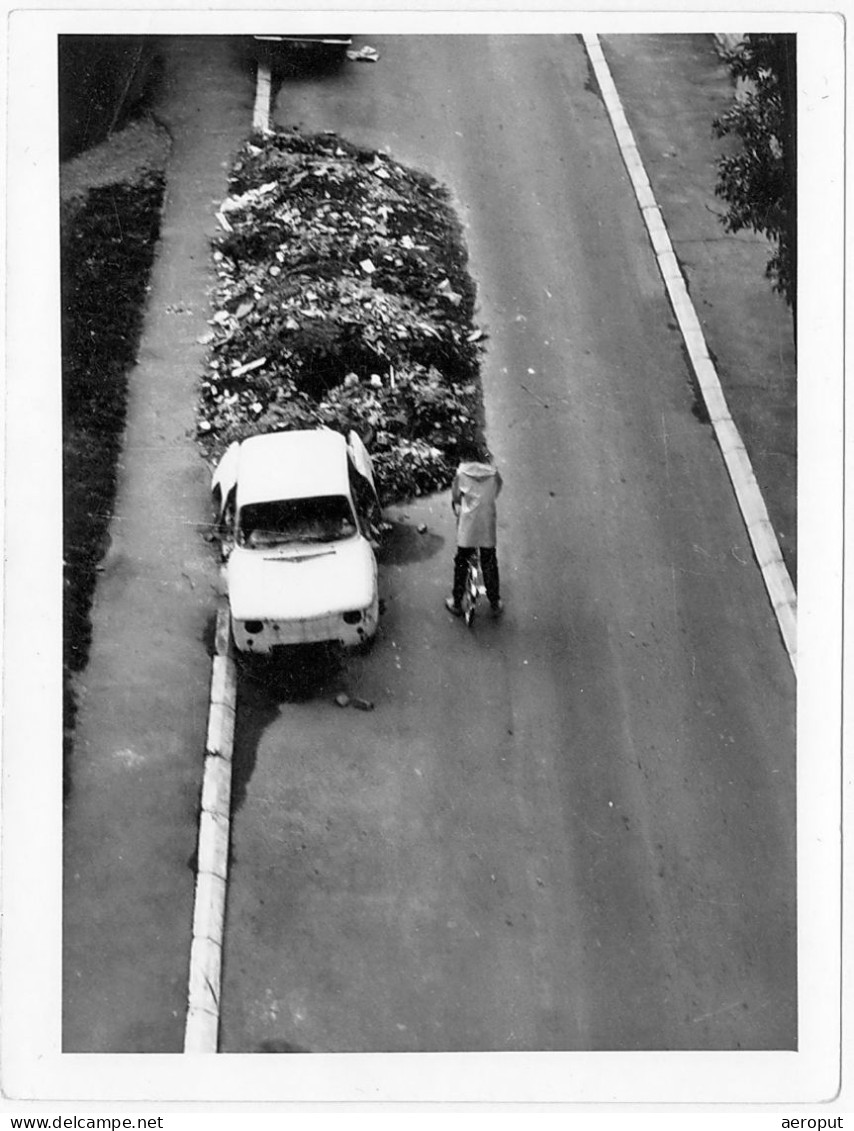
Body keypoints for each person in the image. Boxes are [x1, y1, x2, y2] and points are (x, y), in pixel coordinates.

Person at [445, 442, 504, 617]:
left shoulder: (461, 473)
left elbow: (456, 496)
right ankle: (495, 601)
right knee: (489, 561)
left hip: (468, 526)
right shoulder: (494, 474)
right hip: (487, 523)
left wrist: (460, 503)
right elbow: (496, 491)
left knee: (461, 561)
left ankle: (456, 601)